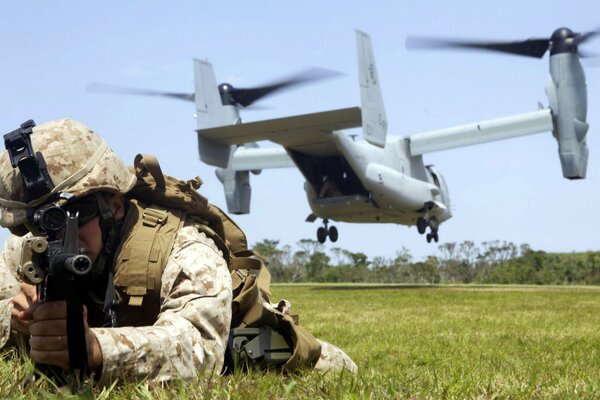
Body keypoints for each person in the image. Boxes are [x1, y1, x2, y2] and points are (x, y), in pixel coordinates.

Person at [0, 118, 357, 386]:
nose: (52, 236)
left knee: (338, 369)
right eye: (36, 223)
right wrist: (16, 321)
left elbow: (198, 349)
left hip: (240, 344)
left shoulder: (185, 248)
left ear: (114, 203)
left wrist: (96, 350)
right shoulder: (29, 250)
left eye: (69, 218)